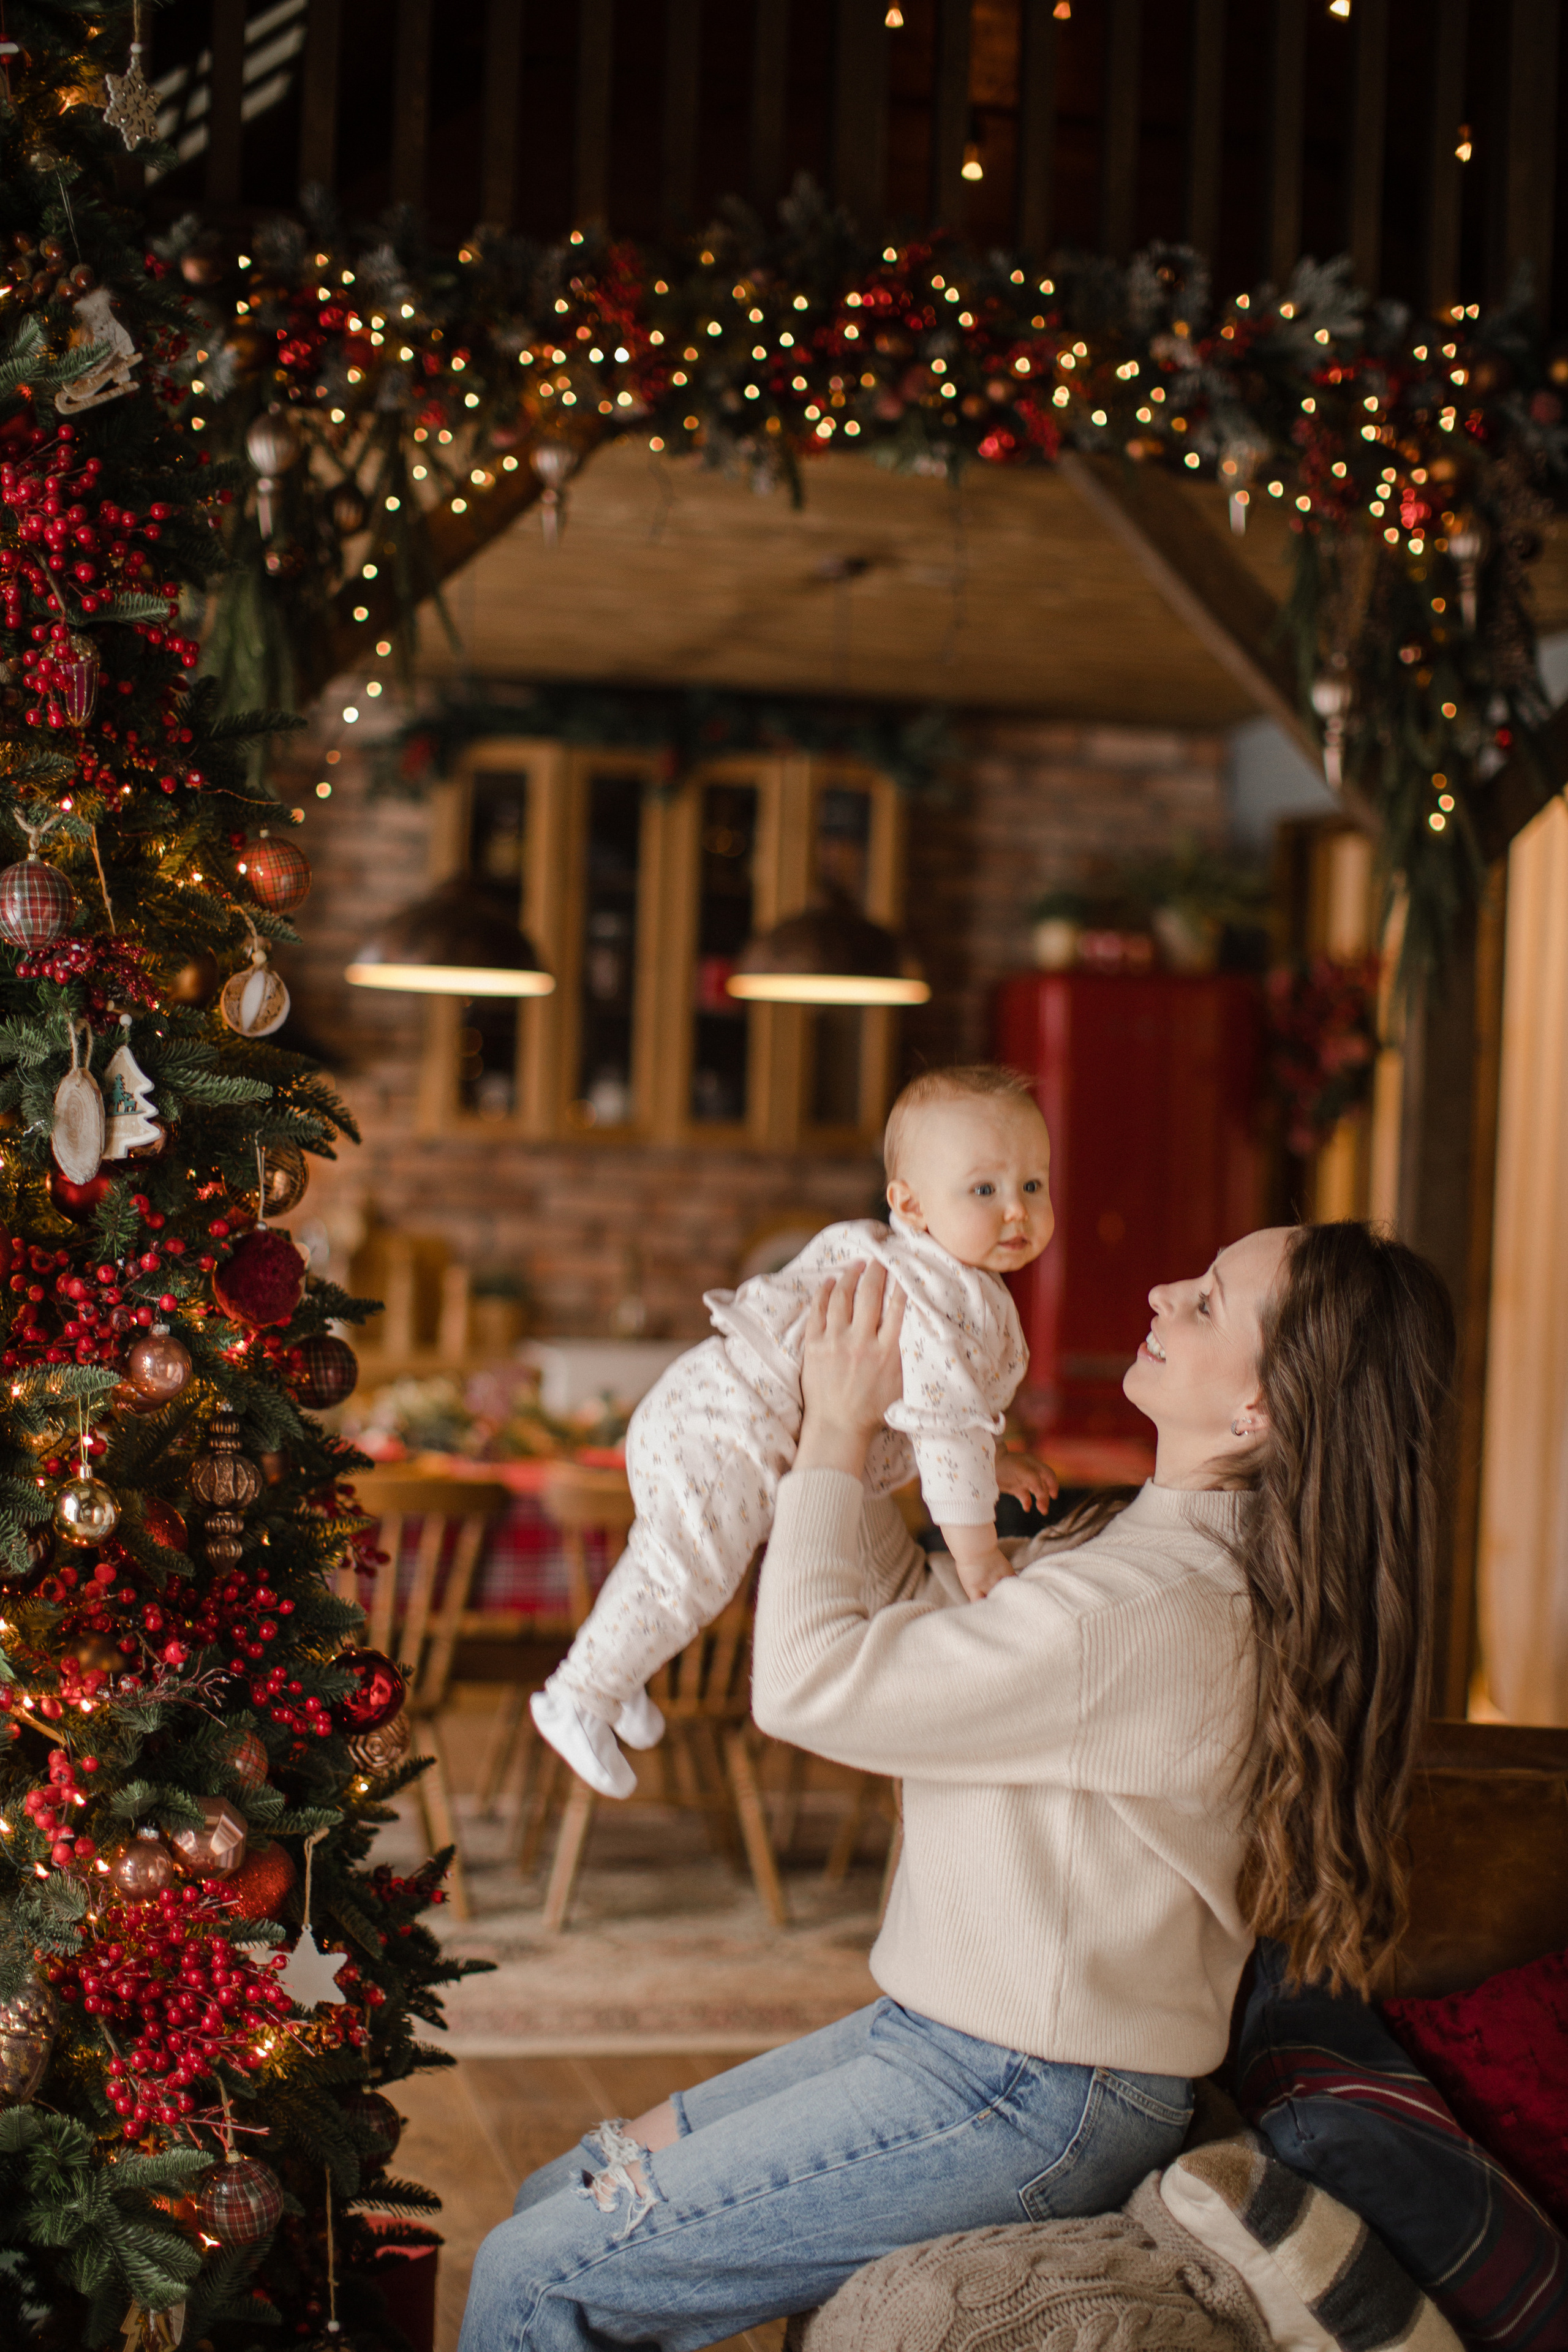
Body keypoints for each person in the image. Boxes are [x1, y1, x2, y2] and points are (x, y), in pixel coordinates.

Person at [459, 1219, 1454, 2352]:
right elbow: (914, 1631)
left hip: (1022, 2094)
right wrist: (875, 1448)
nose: (1167, 1290)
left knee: (540, 2278)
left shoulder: (1151, 1607)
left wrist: (834, 1437)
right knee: (565, 2191)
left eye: (1211, 1302)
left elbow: (810, 1684)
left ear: (1260, 1411)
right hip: (959, 2048)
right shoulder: (1154, 1560)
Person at [531, 1065, 1058, 1800]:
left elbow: (938, 1415)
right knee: (689, 1574)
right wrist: (978, 1562)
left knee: (684, 1568)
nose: (1015, 1212)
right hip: (725, 1430)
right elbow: (944, 1430)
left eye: (1032, 1186)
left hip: (710, 1413)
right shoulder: (938, 1290)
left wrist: (991, 1462)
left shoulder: (937, 1272)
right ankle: (580, 1692)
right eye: (985, 1190)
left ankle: (619, 1677)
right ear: (909, 1203)